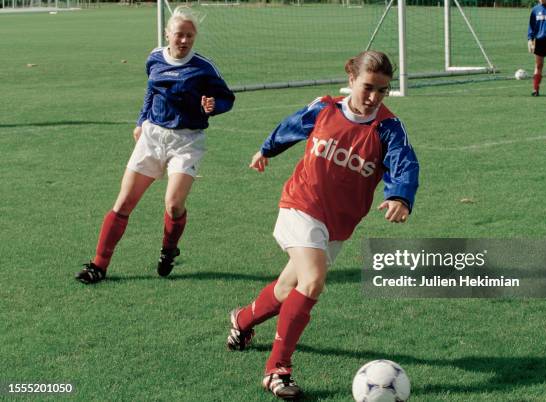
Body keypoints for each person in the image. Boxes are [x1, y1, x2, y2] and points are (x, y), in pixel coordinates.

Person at [226, 50, 419, 400]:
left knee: (289, 288)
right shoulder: (325, 108)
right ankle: (277, 371)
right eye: (369, 87)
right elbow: (292, 126)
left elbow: (403, 163)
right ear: (351, 80)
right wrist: (266, 150)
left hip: (337, 224)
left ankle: (241, 321)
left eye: (383, 90)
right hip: (301, 205)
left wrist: (400, 197)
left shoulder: (388, 127)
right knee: (313, 281)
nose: (374, 97)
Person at [75, 6, 235, 284]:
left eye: (190, 36)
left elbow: (226, 98)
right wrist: (141, 121)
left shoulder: (203, 67)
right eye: (179, 35)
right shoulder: (154, 58)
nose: (184, 41)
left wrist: (213, 106)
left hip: (187, 140)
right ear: (167, 34)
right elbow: (150, 90)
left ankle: (169, 250)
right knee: (124, 202)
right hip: (152, 136)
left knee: (173, 204)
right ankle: (98, 265)